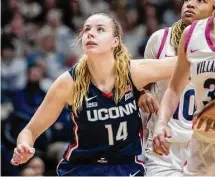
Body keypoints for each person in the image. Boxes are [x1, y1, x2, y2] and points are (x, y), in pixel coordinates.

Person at [10, 13, 176, 176]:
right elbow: (30, 131)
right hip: (82, 168)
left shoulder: (133, 72)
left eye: (100, 29)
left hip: (126, 167)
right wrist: (24, 146)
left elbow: (182, 63)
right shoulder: (68, 83)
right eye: (87, 29)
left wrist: (198, 31)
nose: (90, 33)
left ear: (115, 41)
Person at [138, 0, 215, 176]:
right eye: (187, 0)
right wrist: (142, 93)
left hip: (201, 140)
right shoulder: (160, 39)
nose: (190, 4)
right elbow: (137, 82)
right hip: (165, 144)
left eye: (200, 1)